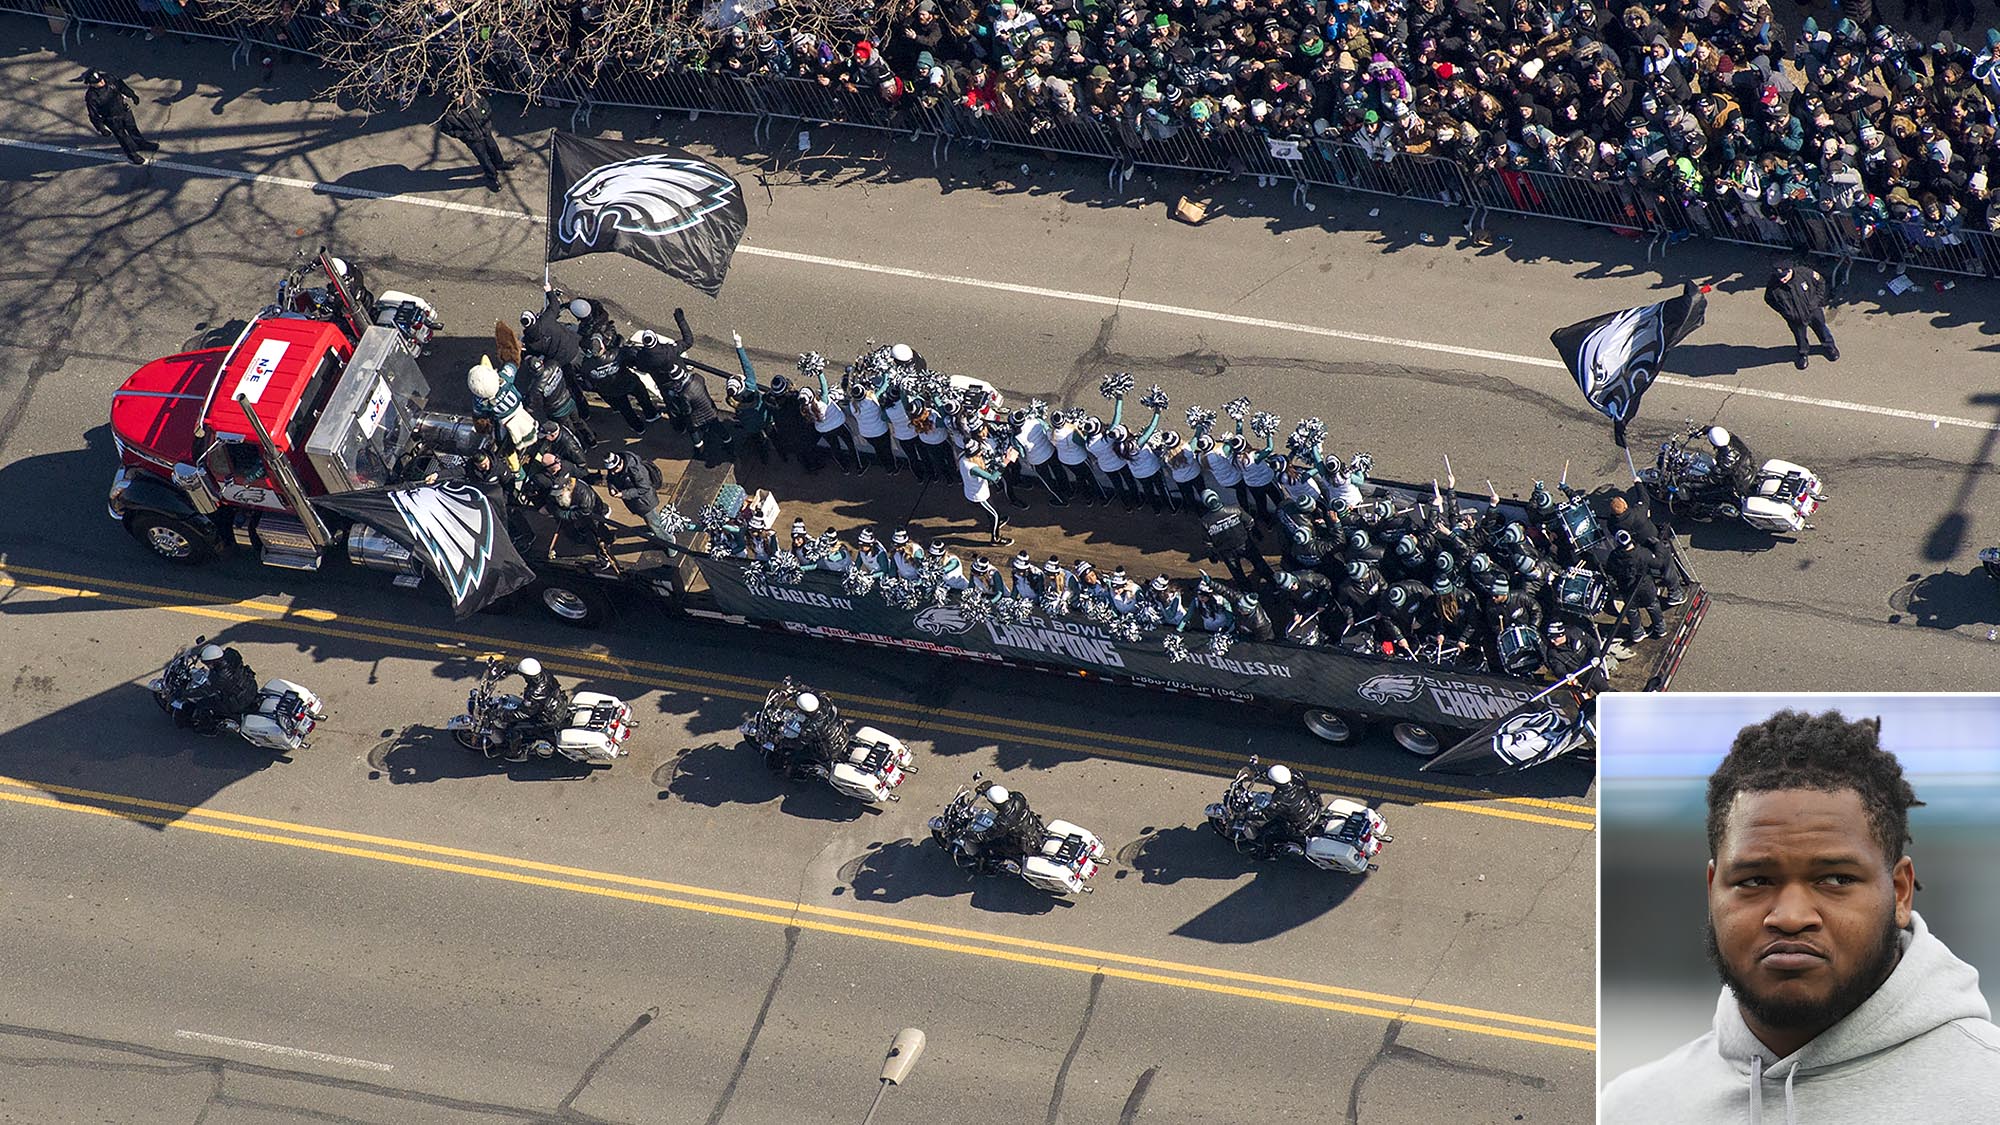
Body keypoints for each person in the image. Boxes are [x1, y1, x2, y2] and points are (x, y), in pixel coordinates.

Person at [1599, 710, 2000, 1122]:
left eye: (1836, 879)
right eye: (1755, 881)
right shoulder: (1632, 1108)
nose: (1791, 917)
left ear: (1899, 892)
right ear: (1712, 890)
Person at [1763, 261, 1838, 370]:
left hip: (1813, 312)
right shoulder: (1773, 284)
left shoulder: (1804, 273)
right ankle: (1803, 353)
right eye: (1779, 277)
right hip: (1794, 318)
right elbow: (1769, 299)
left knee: (1822, 329)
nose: (1782, 280)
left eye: (1784, 276)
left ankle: (1830, 347)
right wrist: (1785, 312)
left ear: (1790, 270)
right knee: (1799, 336)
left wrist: (1815, 302)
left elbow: (1821, 283)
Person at [437, 87, 514, 192]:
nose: (459, 100)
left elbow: (486, 107)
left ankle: (499, 163)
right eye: (455, 99)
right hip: (473, 139)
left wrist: (486, 123)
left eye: (460, 97)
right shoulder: (449, 113)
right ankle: (492, 177)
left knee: (493, 148)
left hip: (485, 132)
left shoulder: (474, 98)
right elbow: (447, 129)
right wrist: (465, 135)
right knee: (484, 158)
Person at [1197, 489, 1273, 588]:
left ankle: (1248, 593)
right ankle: (1274, 585)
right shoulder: (1235, 509)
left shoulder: (1205, 522)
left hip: (1227, 552)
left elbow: (1208, 542)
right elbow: (1250, 522)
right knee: (1260, 564)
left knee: (1238, 574)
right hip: (1245, 544)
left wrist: (1212, 555)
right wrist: (1255, 534)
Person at [82, 70, 158, 165]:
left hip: (124, 111)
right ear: (91, 84)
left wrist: (132, 95)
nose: (101, 82)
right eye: (98, 82)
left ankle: (141, 144)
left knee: (133, 129)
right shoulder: (92, 97)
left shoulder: (109, 78)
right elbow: (93, 114)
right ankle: (132, 155)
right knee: (123, 137)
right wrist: (101, 128)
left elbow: (122, 86)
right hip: (112, 119)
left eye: (101, 79)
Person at [1607, 529, 1668, 642]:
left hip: (1626, 588)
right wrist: (1658, 546)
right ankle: (1660, 629)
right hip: (1645, 586)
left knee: (1631, 610)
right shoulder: (1642, 553)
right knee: (1652, 605)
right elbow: (1658, 563)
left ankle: (1637, 633)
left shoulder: (1614, 557)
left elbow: (1610, 571)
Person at [603, 450, 675, 543]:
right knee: (653, 522)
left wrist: (623, 494)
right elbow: (610, 477)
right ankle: (656, 528)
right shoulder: (616, 468)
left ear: (620, 464)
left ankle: (669, 542)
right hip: (637, 503)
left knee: (654, 524)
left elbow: (644, 489)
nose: (612, 472)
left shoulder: (636, 471)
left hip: (645, 502)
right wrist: (611, 487)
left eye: (614, 470)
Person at [1255, 764, 1325, 856]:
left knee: (1267, 834)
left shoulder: (1280, 799)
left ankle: (1267, 853)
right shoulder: (1298, 779)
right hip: (1314, 811)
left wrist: (1248, 814)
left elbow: (1265, 815)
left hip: (1300, 827)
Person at [506, 656, 567, 760]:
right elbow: (524, 669)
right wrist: (507, 668)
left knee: (515, 728)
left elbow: (523, 713)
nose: (523, 676)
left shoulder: (536, 694)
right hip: (558, 703)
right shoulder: (543, 673)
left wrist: (502, 714)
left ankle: (517, 754)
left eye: (524, 675)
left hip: (549, 718)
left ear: (529, 677)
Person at [958, 441, 1015, 546]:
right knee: (996, 515)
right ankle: (995, 539)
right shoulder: (972, 467)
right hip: (978, 496)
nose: (981, 453)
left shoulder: (962, 458)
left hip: (978, 491)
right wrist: (1006, 461)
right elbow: (993, 478)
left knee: (992, 511)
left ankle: (995, 523)